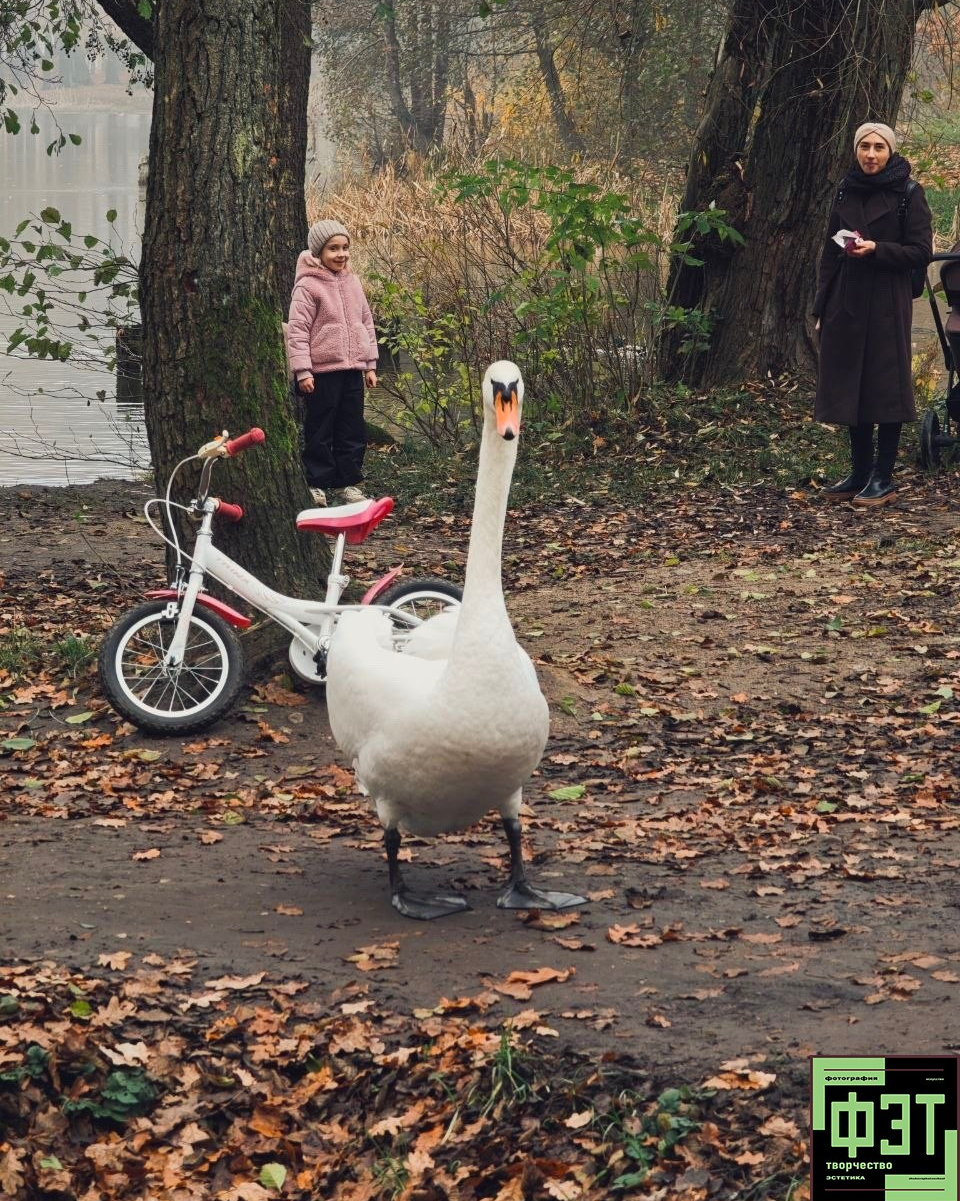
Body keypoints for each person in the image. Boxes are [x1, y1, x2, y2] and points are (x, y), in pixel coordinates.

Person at [812, 121, 933, 508]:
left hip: (886, 302)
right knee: (853, 386)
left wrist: (878, 248)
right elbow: (831, 253)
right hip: (846, 302)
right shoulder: (846, 188)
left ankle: (883, 477)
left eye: (879, 147)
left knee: (886, 387)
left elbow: (920, 252)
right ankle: (859, 472)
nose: (870, 154)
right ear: (856, 150)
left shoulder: (909, 193)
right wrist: (821, 306)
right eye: (864, 146)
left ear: (890, 151)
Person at [287, 219, 379, 507]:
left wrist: (370, 364)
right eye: (333, 249)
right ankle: (318, 483)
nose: (341, 254)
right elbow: (298, 330)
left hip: (353, 369)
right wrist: (302, 371)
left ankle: (348, 483)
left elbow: (366, 322)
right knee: (320, 428)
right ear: (318, 253)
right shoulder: (308, 286)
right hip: (322, 373)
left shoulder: (353, 282)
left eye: (345, 248)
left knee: (352, 429)